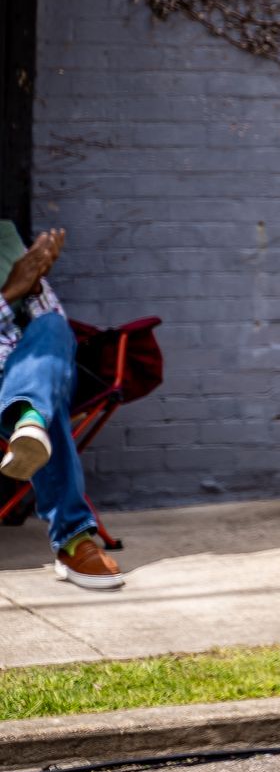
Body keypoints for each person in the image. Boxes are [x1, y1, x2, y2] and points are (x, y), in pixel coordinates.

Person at [0, 225, 123, 590]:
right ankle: (73, 542)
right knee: (41, 409)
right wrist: (10, 293)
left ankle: (31, 419)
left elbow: (56, 332)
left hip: (34, 369)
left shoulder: (5, 240)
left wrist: (35, 287)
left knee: (53, 325)